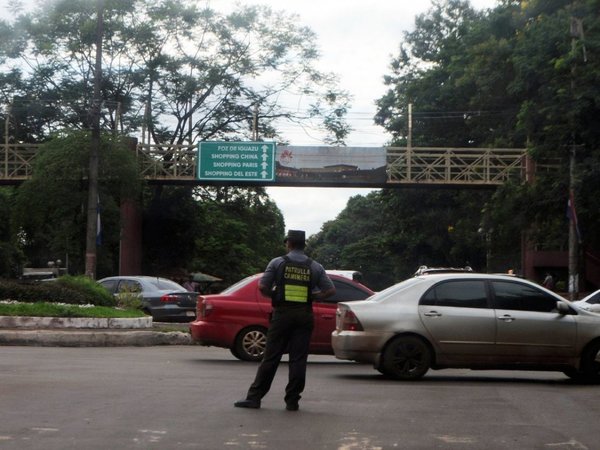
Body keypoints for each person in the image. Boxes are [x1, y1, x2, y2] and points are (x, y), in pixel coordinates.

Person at [234, 229, 335, 411]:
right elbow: (330, 290)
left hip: (282, 315)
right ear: (304, 245)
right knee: (298, 359)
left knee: (271, 357)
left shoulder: (278, 263)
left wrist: (275, 294)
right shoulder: (315, 266)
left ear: (288, 243)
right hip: (304, 315)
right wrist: (312, 296)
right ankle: (292, 401)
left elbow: (262, 286)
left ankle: (255, 398)